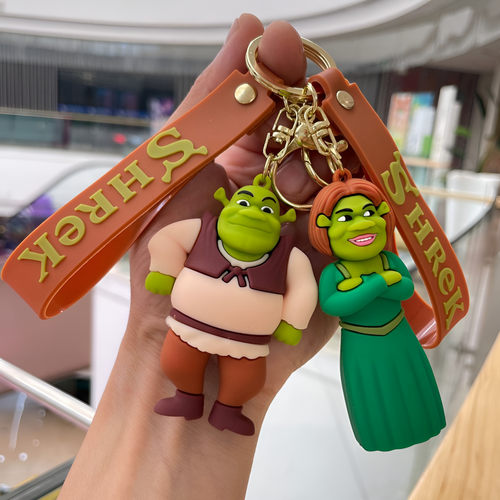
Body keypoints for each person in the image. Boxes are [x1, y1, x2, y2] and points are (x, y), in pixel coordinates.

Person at [58, 15, 338, 500]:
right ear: (226, 204)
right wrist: (163, 277)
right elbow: (169, 241)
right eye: (246, 203)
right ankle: (187, 397)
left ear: (279, 220)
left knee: (242, 381)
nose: (253, 211)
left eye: (265, 208)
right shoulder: (204, 228)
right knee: (175, 361)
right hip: (186, 328)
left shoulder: (285, 254)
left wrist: (292, 323)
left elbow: (304, 286)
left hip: (251, 344)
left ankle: (227, 408)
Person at [308, 170, 446, 451]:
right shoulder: (335, 272)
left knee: (410, 385)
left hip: (399, 335)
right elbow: (332, 305)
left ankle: (425, 425)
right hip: (361, 343)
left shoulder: (389, 259)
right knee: (372, 391)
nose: (362, 224)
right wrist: (380, 283)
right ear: (324, 226)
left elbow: (405, 289)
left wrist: (362, 288)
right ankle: (378, 437)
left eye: (369, 213)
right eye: (345, 218)